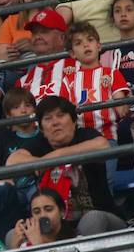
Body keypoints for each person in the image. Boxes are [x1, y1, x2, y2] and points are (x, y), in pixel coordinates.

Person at [6, 96, 124, 226]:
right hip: (56, 225)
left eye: (61, 116)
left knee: (91, 220)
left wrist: (53, 157)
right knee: (13, 234)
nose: (55, 122)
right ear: (42, 130)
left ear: (74, 122)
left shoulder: (85, 134)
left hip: (102, 216)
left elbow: (102, 145)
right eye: (48, 118)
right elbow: (12, 161)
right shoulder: (39, 143)